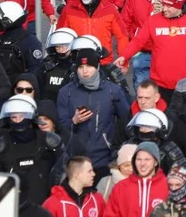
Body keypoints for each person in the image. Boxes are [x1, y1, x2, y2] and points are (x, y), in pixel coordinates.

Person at [57, 45, 132, 180]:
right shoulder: (65, 92)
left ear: (97, 67)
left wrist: (116, 149)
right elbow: (59, 127)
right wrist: (74, 121)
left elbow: (126, 122)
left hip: (105, 158)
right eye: (81, 67)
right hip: (75, 159)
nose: (85, 71)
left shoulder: (112, 90)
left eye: (89, 67)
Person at [0, 95, 65, 208]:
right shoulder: (1, 145)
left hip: (46, 205)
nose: (18, 120)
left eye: (22, 116)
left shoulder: (49, 141)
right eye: (14, 117)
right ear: (8, 119)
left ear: (31, 117)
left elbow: (64, 171)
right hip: (12, 206)